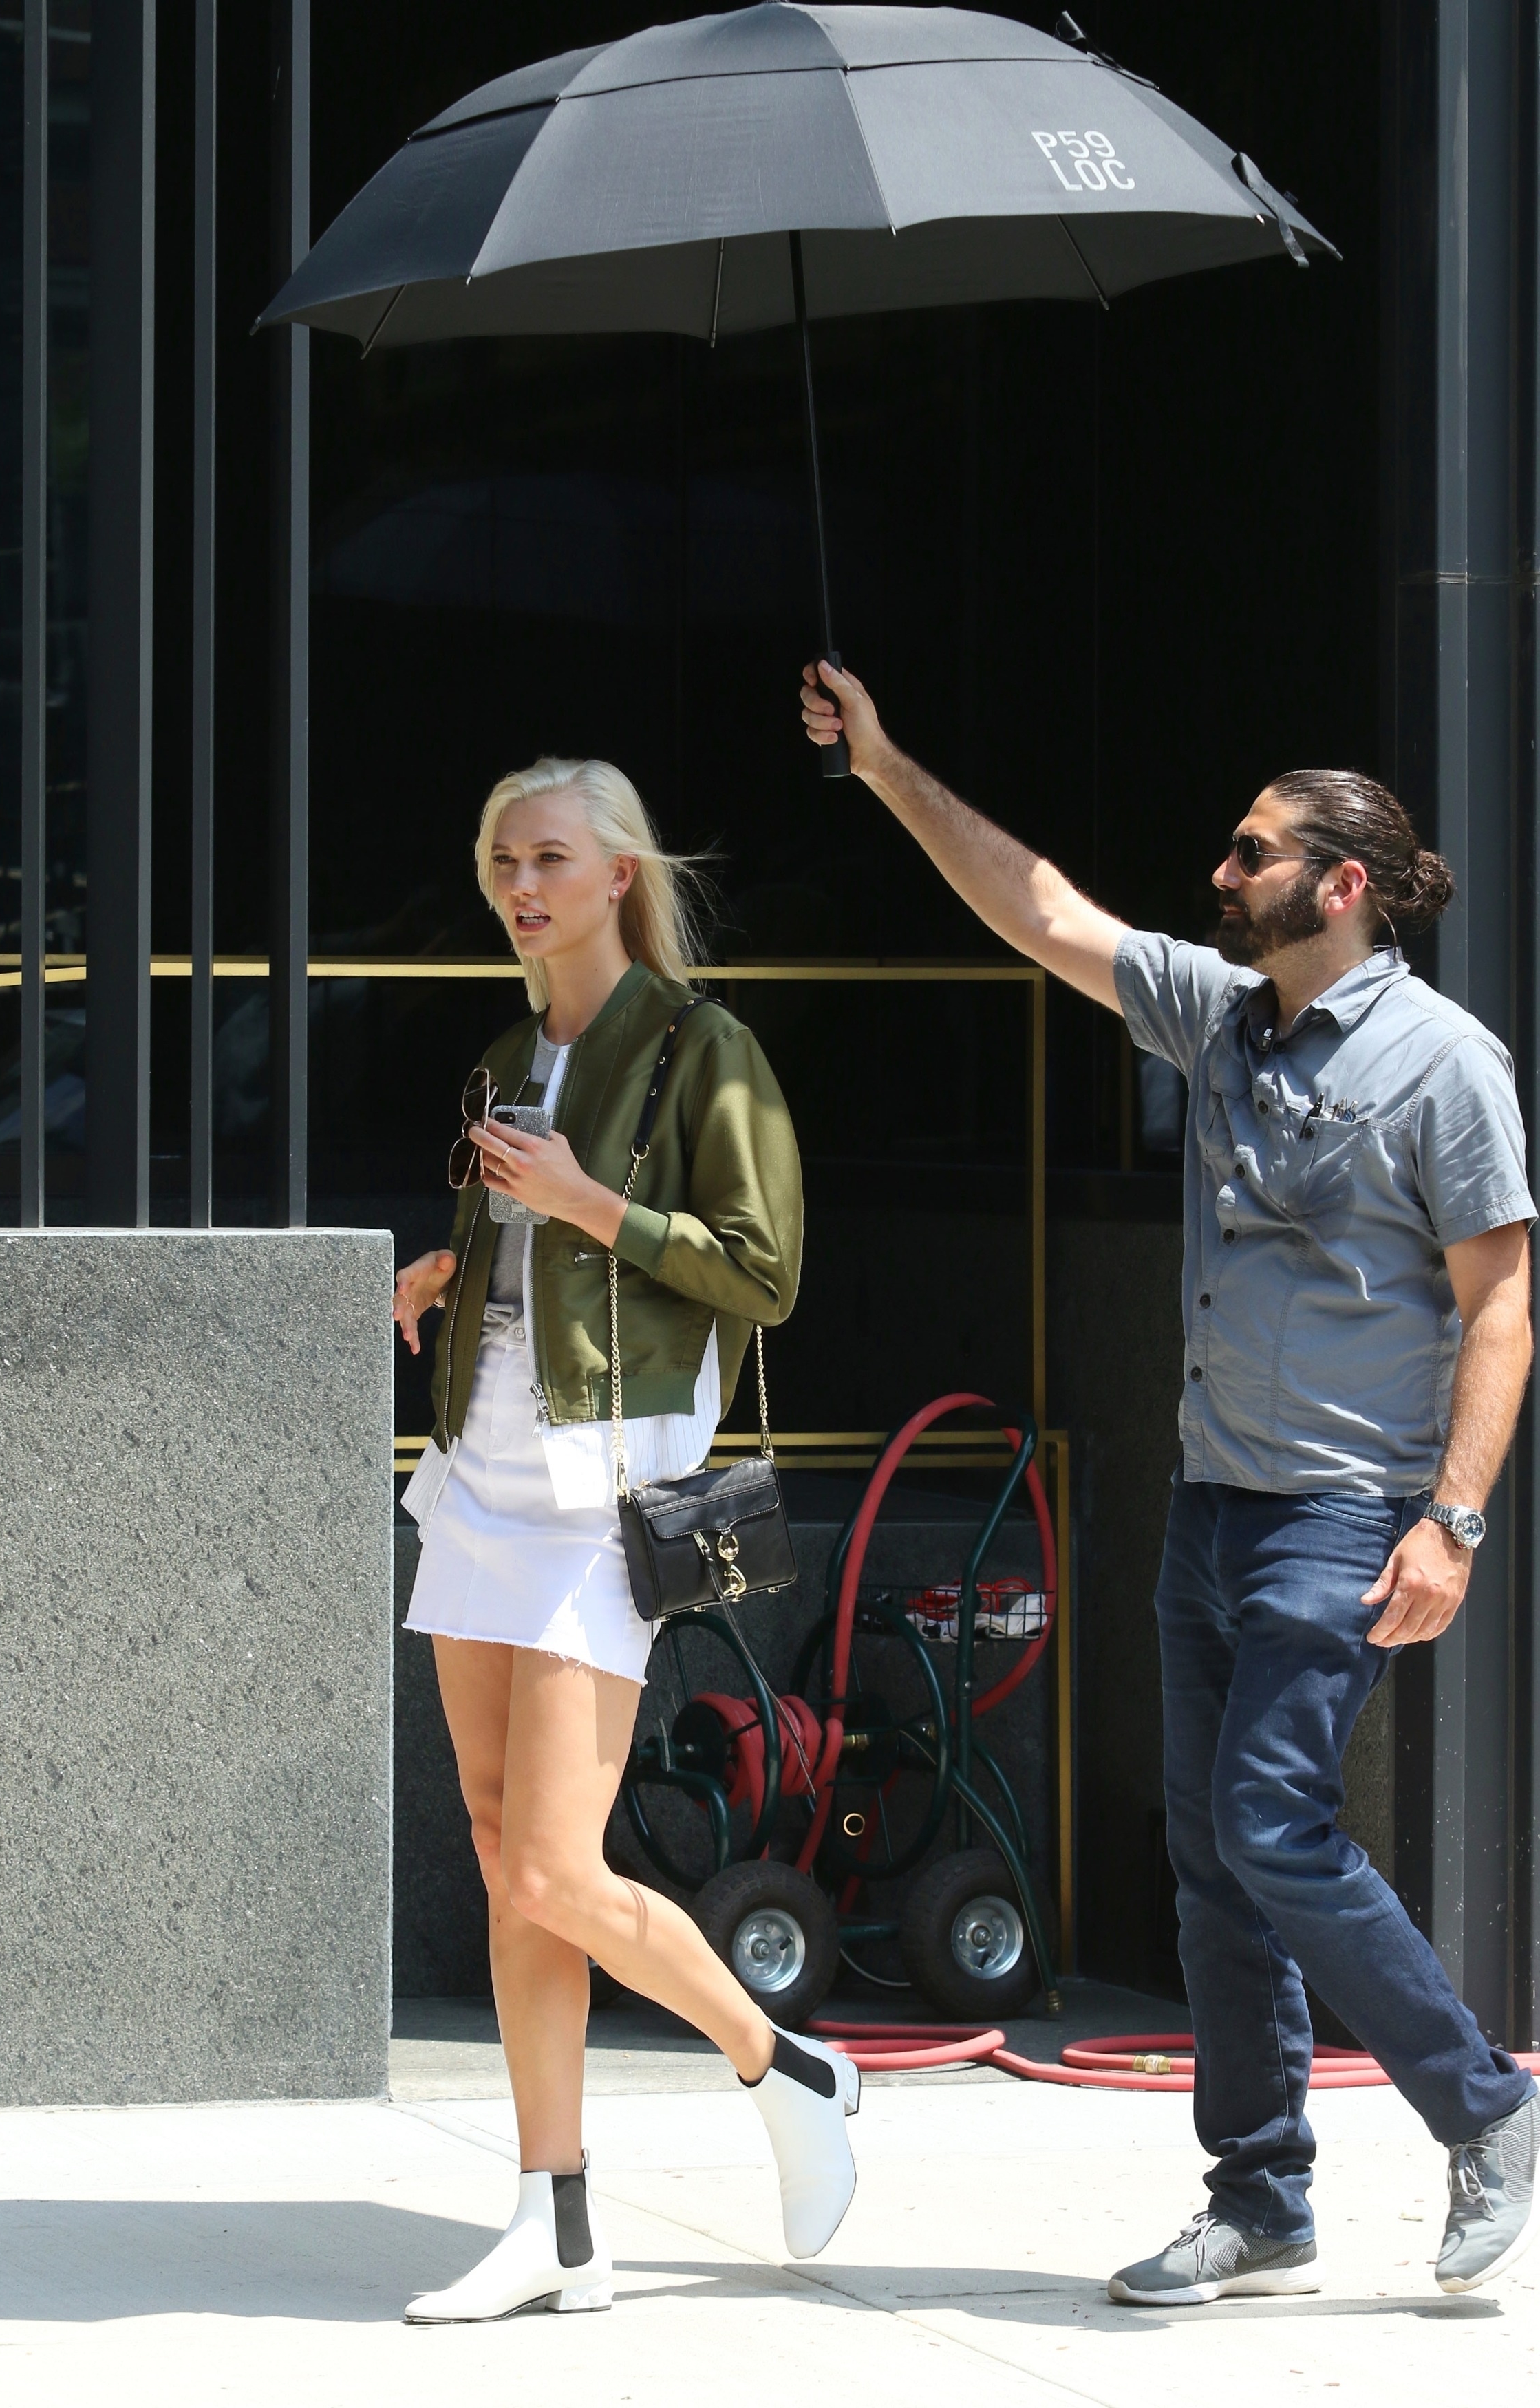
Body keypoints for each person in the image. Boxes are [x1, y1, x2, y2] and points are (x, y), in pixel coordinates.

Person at [800, 660, 1538, 2301]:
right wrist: (886, 763)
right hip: (1208, 1508)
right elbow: (1040, 910)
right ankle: (1260, 2199)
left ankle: (1486, 2105)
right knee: (1211, 1864)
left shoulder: (1445, 1064)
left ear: (1340, 886)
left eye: (1251, 851)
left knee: (1271, 1823)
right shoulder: (1215, 1013)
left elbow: (1502, 1308)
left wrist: (1453, 1522)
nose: (1220, 871)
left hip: (1344, 1511)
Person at [392, 755, 857, 2324]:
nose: (519, 886)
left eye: (548, 858)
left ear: (618, 876)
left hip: (598, 1493)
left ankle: (782, 2060)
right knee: (498, 1852)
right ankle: (557, 2222)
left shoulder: (700, 1050)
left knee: (550, 1863)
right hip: (480, 1469)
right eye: (499, 859)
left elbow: (764, 1271)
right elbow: (531, 1257)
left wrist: (593, 1204)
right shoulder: (504, 1056)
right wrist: (450, 1276)